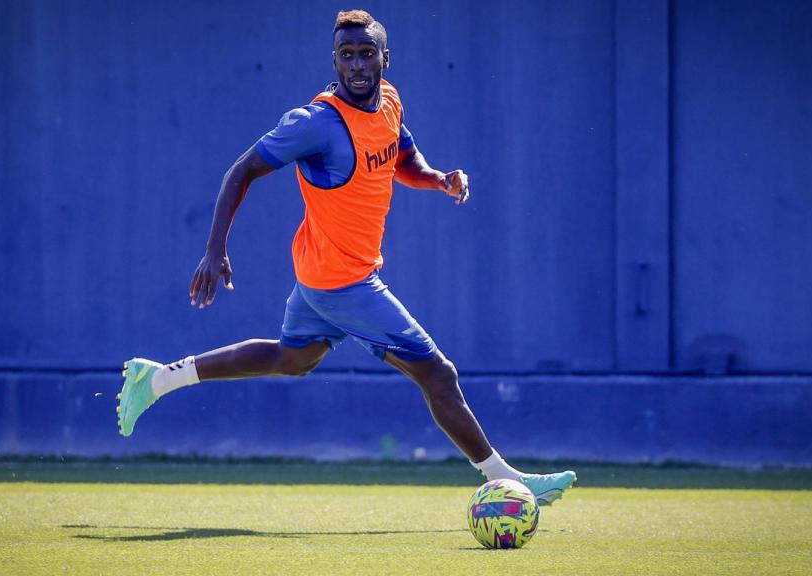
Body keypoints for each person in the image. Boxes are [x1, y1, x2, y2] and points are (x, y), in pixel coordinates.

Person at [117, 9, 576, 505]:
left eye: (366, 54)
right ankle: (505, 479)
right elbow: (241, 171)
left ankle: (159, 378)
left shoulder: (390, 103)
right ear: (334, 61)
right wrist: (215, 248)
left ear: (385, 58)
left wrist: (438, 179)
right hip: (344, 283)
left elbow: (403, 159)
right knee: (437, 373)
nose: (356, 64)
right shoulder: (315, 124)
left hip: (321, 275)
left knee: (289, 359)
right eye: (346, 55)